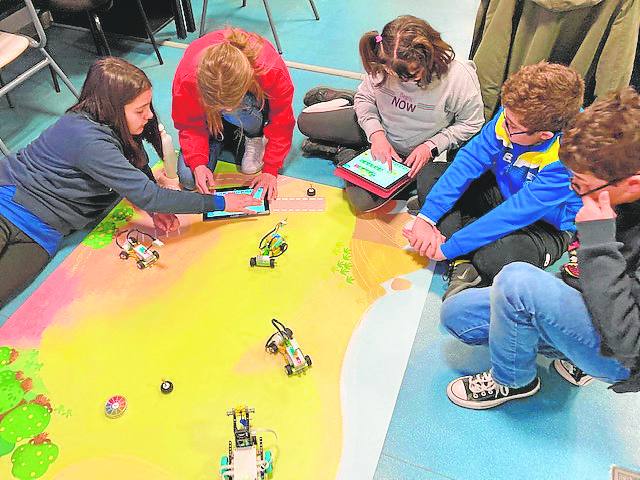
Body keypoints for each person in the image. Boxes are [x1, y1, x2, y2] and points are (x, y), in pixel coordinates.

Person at [0, 57, 259, 307]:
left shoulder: (117, 127)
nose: (149, 115)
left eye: (148, 106)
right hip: (8, 204)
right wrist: (222, 202)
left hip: (43, 232)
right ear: (112, 108)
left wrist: (154, 211)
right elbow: (150, 194)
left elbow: (140, 170)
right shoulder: (87, 138)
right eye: (139, 110)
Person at [442, 87, 640, 409]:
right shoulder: (615, 192)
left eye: (581, 188)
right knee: (457, 315)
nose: (577, 197)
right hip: (599, 298)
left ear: (632, 184)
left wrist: (598, 242)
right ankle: (572, 352)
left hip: (624, 354)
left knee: (517, 281)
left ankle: (512, 381)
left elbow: (630, 344)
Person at [403, 61, 584, 300]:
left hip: (546, 224)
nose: (503, 124)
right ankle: (463, 252)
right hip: (502, 192)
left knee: (496, 258)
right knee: (431, 174)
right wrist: (427, 219)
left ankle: (460, 245)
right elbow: (468, 162)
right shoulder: (515, 115)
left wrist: (447, 249)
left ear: (544, 136)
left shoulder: (569, 156)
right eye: (505, 115)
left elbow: (516, 213)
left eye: (512, 126)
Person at [297, 15, 484, 212]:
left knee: (361, 202)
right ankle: (348, 99)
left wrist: (431, 146)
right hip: (376, 127)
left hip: (408, 153)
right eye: (392, 72)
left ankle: (342, 151)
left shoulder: (458, 78)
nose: (399, 81)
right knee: (305, 122)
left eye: (410, 76)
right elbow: (366, 99)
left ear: (429, 58)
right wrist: (377, 135)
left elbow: (471, 123)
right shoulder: (384, 60)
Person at [172, 28, 295, 201]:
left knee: (239, 108)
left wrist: (271, 169)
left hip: (251, 107)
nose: (226, 111)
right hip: (210, 117)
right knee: (188, 179)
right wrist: (198, 163)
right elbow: (188, 124)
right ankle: (220, 136)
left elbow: (282, 121)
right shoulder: (188, 78)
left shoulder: (270, 68)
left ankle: (253, 135)